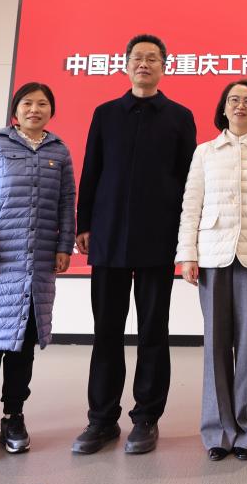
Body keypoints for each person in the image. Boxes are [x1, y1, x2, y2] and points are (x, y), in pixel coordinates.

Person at [72, 34, 197, 455]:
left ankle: (146, 419)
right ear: (125, 65)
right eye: (137, 58)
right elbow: (92, 170)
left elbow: (188, 182)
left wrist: (185, 238)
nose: (144, 64)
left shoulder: (180, 117)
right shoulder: (106, 113)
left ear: (164, 66)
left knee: (152, 332)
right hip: (107, 236)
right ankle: (101, 419)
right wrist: (84, 223)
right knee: (106, 331)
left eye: (152, 58)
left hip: (157, 238)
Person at [176, 79, 247, 461]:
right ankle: (217, 431)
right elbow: (191, 207)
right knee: (215, 345)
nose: (240, 106)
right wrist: (187, 255)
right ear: (223, 108)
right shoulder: (205, 152)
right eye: (233, 100)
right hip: (212, 256)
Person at [0, 82, 75, 463]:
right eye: (27, 103)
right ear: (16, 109)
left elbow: (66, 203)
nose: (34, 109)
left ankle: (14, 417)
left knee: (23, 347)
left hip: (36, 263)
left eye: (42, 104)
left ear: (51, 111)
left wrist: (64, 246)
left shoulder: (59, 151)